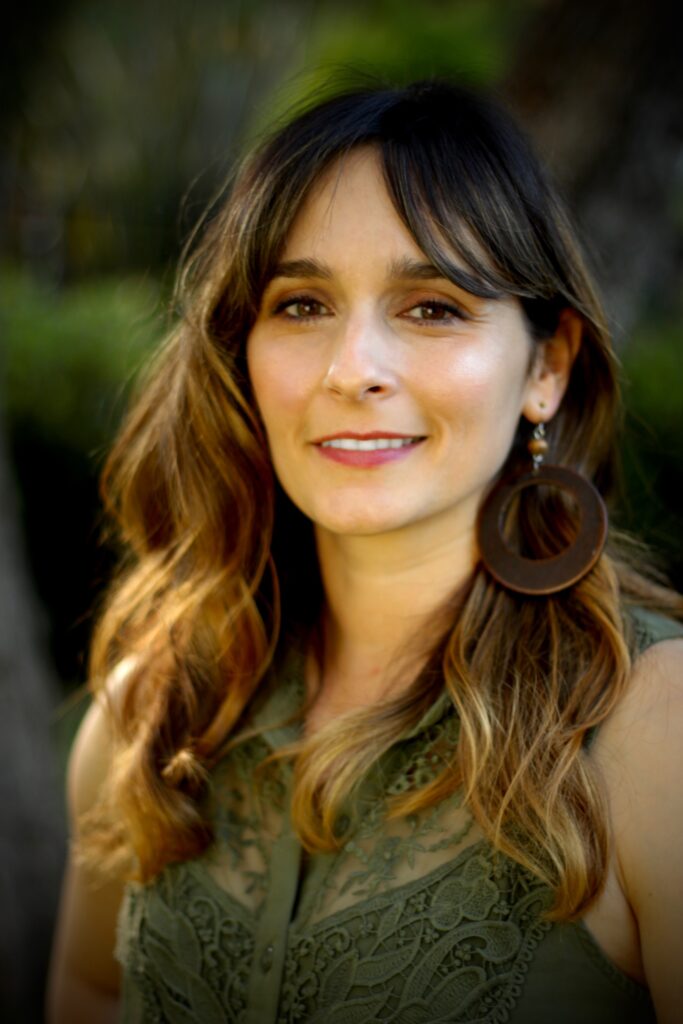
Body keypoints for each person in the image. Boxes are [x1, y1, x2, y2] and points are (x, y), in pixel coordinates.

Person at [47, 79, 683, 1024]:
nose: (352, 371)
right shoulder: (155, 707)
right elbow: (90, 990)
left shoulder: (656, 731)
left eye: (432, 308)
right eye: (302, 305)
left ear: (545, 368)